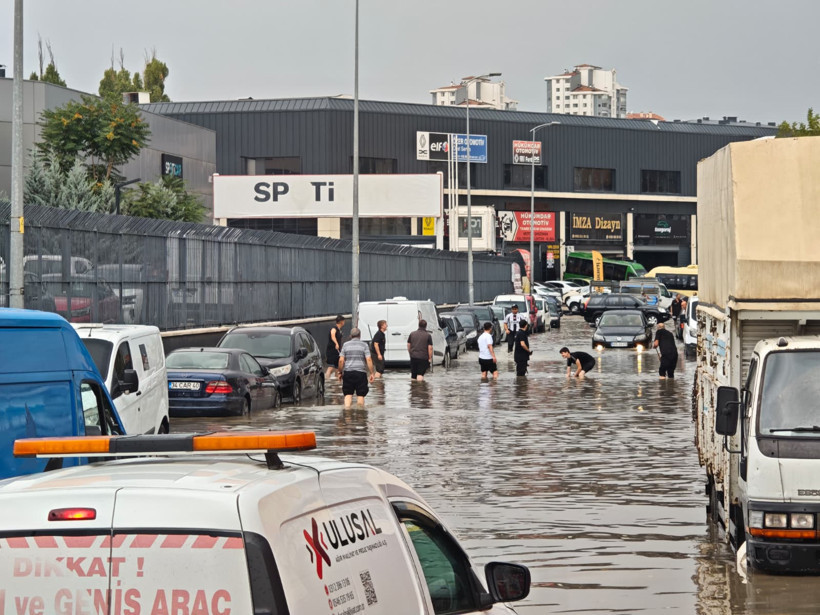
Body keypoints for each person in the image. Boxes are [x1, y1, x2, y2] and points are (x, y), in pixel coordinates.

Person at [338, 328, 375, 407]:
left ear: (351, 336)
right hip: (361, 373)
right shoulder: (364, 345)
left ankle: (347, 415)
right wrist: (372, 373)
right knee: (360, 395)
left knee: (348, 394)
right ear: (360, 335)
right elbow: (368, 359)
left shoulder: (345, 345)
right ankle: (360, 417)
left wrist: (340, 372)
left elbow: (341, 360)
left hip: (348, 373)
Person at [325, 315, 345, 380]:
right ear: (341, 322)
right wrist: (336, 343)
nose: (344, 322)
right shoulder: (334, 328)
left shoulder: (339, 330)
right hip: (332, 350)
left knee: (338, 367)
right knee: (331, 366)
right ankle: (327, 379)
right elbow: (332, 336)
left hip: (337, 351)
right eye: (343, 321)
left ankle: (337, 381)